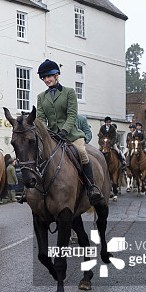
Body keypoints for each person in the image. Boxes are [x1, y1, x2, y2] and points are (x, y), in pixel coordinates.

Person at [34, 59, 102, 204]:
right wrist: (45, 133)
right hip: (52, 136)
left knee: (82, 153)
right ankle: (34, 190)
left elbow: (72, 115)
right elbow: (40, 118)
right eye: (44, 78)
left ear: (57, 75)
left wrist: (64, 130)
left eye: (49, 76)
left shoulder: (69, 92)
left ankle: (91, 187)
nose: (46, 80)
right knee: (37, 154)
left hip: (71, 135)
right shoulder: (41, 97)